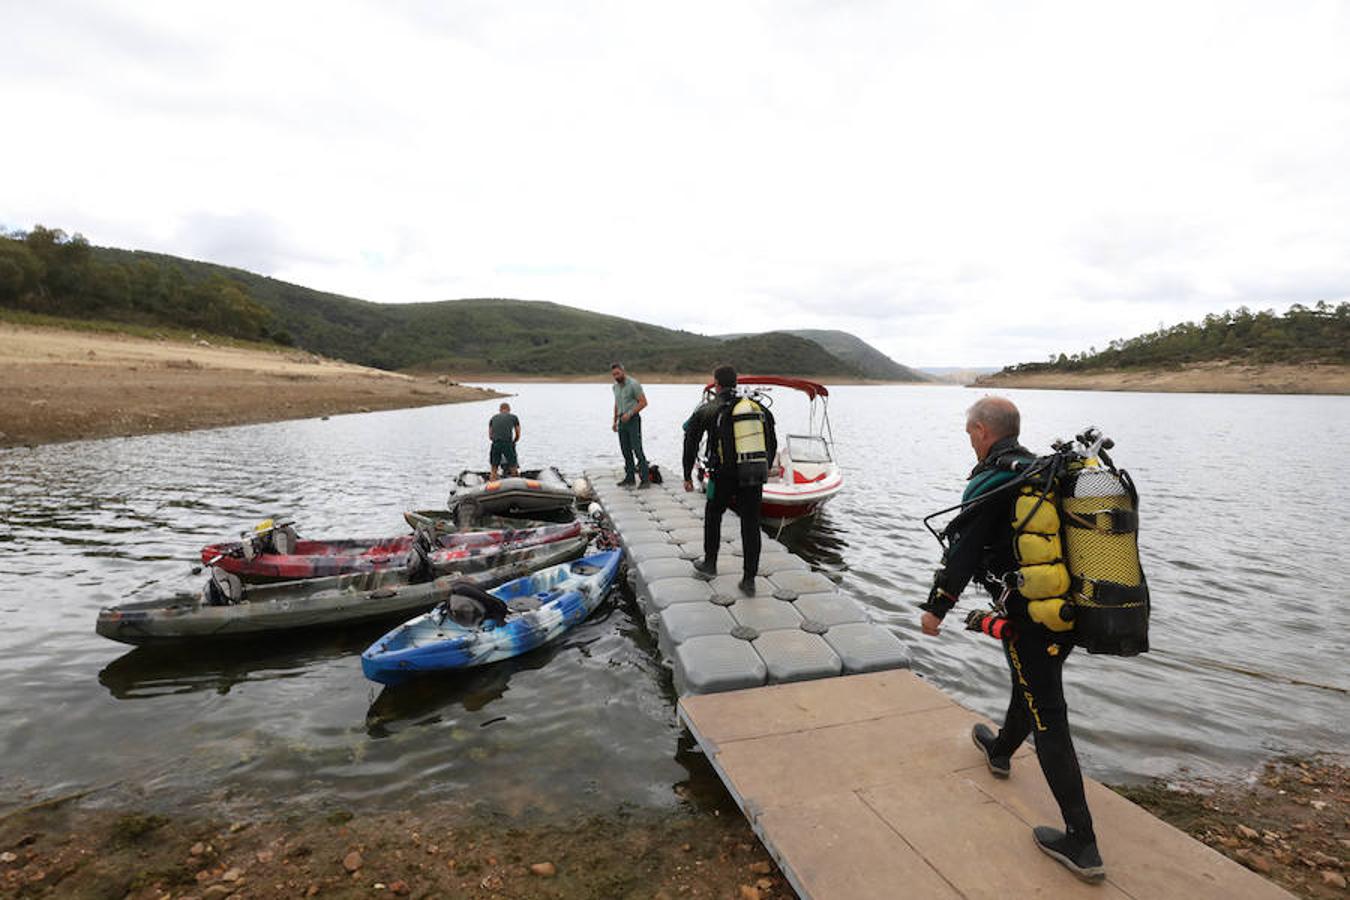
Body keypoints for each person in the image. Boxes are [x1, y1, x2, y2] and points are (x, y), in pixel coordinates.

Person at [918, 396, 1105, 883]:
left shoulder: (999, 481)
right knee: (1031, 683)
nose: (969, 440)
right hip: (1066, 608)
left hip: (1030, 615)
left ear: (982, 431)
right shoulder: (1042, 472)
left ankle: (1082, 842)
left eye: (968, 432)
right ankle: (1000, 750)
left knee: (1049, 717)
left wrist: (936, 608)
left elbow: (964, 550)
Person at [682, 364, 777, 595]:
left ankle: (710, 565)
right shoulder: (759, 409)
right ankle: (749, 580)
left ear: (716, 383)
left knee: (713, 514)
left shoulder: (710, 408)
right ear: (736, 383)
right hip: (752, 476)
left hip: (721, 476)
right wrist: (762, 471)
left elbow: (691, 440)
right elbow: (771, 444)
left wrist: (687, 474)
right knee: (751, 523)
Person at [610, 362, 650, 488]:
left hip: (633, 420)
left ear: (623, 371)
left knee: (637, 449)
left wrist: (631, 413)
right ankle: (630, 477)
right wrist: (615, 421)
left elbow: (643, 402)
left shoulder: (634, 384)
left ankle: (645, 480)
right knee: (625, 450)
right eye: (614, 374)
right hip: (622, 421)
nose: (616, 376)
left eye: (618, 373)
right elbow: (617, 404)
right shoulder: (615, 387)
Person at [487, 402, 521, 480]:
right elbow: (518, 432)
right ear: (509, 409)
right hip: (507, 443)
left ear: (500, 410)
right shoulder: (514, 417)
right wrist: (515, 441)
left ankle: (492, 480)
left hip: (495, 443)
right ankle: (515, 479)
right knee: (513, 465)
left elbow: (490, 435)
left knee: (494, 467)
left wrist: (496, 441)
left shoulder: (493, 418)